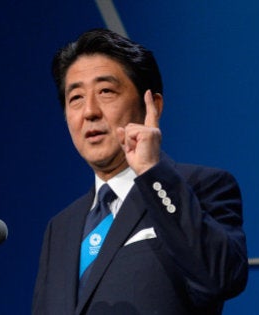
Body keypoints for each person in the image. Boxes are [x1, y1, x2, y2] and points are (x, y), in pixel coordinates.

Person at [32, 28, 248, 315]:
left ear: (152, 106)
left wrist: (151, 171)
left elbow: (220, 277)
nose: (89, 112)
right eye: (76, 98)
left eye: (106, 91)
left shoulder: (200, 186)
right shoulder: (60, 228)